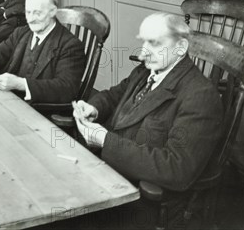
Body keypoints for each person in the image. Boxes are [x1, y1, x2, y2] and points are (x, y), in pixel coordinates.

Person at [72, 13, 223, 226]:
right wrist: (94, 108)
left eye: (153, 43)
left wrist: (105, 140)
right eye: (142, 41)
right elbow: (116, 94)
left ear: (180, 48)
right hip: (109, 174)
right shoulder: (147, 71)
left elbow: (177, 169)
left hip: (144, 198)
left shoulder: (200, 96)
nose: (142, 53)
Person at [0, 0, 85, 104]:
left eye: (37, 13)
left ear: (53, 11)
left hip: (39, 110)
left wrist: (20, 84)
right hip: (7, 99)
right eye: (28, 12)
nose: (31, 19)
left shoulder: (70, 45)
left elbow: (66, 88)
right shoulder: (21, 32)